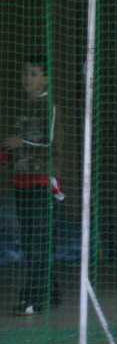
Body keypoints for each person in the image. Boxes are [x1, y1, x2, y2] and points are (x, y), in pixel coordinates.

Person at [1, 55, 62, 315]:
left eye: (35, 74)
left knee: (37, 241)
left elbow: (53, 146)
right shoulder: (20, 107)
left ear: (45, 78)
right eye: (26, 73)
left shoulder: (50, 107)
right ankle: (52, 291)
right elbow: (14, 145)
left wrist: (21, 144)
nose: (28, 79)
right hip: (20, 182)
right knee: (28, 240)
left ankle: (35, 298)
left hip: (41, 183)